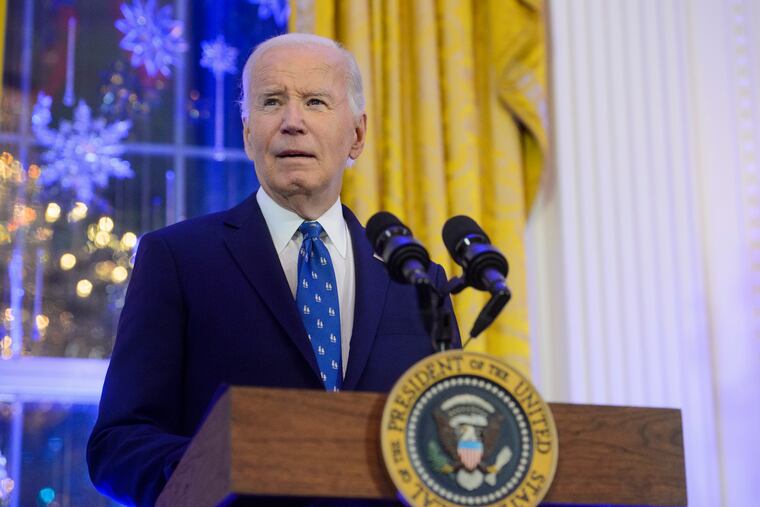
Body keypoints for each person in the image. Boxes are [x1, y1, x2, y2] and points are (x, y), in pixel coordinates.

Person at [87, 33, 458, 506]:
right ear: (247, 132)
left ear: (357, 135)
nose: (292, 122)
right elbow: (118, 445)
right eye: (271, 102)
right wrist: (223, 470)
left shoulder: (415, 280)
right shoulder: (177, 259)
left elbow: (446, 444)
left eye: (316, 101)